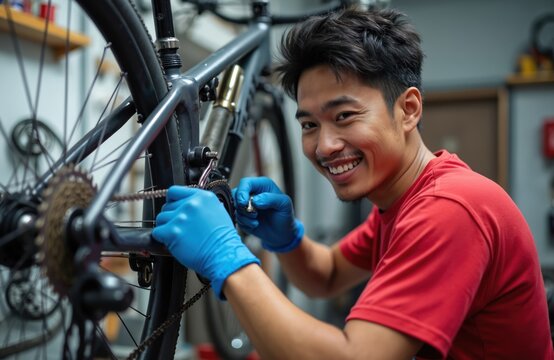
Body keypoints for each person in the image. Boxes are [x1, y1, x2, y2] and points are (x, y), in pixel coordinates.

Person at [152, 6, 554, 359]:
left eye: (344, 116)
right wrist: (287, 240)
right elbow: (325, 276)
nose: (324, 146)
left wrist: (227, 257)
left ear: (408, 109)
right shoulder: (399, 202)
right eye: (309, 124)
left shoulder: (451, 208)